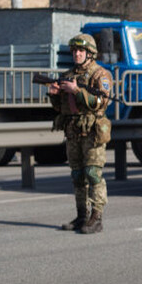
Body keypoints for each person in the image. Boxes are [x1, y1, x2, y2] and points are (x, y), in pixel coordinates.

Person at [48, 33, 113, 234]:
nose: (77, 54)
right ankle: (82, 215)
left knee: (93, 174)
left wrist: (77, 91)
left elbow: (100, 102)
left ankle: (97, 217)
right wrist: (54, 95)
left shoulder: (99, 75)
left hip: (92, 132)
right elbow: (61, 108)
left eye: (81, 51)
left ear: (90, 53)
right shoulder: (68, 76)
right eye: (75, 51)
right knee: (77, 175)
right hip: (73, 131)